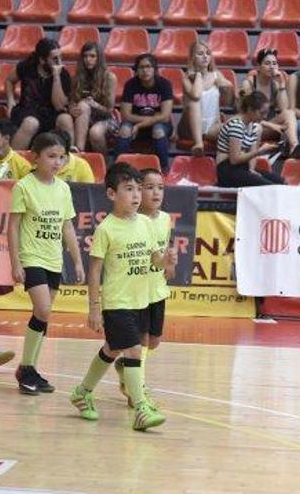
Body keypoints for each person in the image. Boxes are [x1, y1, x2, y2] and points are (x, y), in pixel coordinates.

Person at [69, 163, 173, 430]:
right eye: (129, 189)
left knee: (111, 350)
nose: (137, 195)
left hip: (140, 301)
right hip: (117, 302)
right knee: (134, 350)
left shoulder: (147, 225)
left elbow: (156, 260)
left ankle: (82, 392)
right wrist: (94, 307)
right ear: (112, 194)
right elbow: (95, 271)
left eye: (139, 189)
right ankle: (141, 409)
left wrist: (166, 259)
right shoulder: (106, 229)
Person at [9, 132, 85, 395]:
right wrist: (15, 262)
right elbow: (13, 227)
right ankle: (26, 369)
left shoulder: (63, 188)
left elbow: (67, 227)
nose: (57, 162)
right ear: (35, 157)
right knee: (43, 311)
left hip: (54, 259)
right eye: (51, 156)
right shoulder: (24, 186)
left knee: (42, 316)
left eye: (61, 157)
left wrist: (76, 261)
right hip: (32, 257)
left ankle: (29, 367)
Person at [114, 167, 176, 408]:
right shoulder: (134, 220)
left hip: (157, 288)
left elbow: (163, 248)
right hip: (137, 290)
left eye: (160, 187)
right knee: (140, 341)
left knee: (154, 341)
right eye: (149, 187)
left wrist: (169, 264)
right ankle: (136, 386)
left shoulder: (164, 219)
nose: (155, 193)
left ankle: (124, 368)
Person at [6, 38, 73, 150]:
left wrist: (56, 77)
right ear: (42, 60)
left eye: (61, 58)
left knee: (66, 119)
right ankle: (12, 162)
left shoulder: (63, 74)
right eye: (55, 59)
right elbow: (9, 80)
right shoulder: (26, 66)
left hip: (50, 113)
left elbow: (59, 106)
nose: (60, 63)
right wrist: (10, 100)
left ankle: (70, 160)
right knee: (31, 123)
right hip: (26, 110)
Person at [117, 54, 174, 172]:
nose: (145, 70)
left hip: (158, 124)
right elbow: (126, 115)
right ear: (136, 71)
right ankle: (118, 168)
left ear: (155, 69)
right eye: (141, 67)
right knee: (124, 130)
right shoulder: (130, 84)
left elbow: (165, 116)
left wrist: (140, 125)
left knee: (158, 131)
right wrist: (142, 123)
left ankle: (164, 169)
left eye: (148, 67)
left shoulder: (164, 84)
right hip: (135, 123)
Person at [215, 92, 284, 187]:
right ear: (250, 110)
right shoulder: (236, 125)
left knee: (280, 182)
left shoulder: (253, 126)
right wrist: (259, 151)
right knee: (269, 187)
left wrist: (251, 169)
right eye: (262, 113)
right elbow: (234, 160)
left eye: (266, 113)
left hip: (242, 168)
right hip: (227, 170)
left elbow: (250, 155)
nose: (265, 117)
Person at [178, 40, 234, 156]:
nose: (205, 56)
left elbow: (228, 98)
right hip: (188, 127)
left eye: (208, 53)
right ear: (192, 58)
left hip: (211, 125)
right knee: (194, 102)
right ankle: (198, 143)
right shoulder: (186, 78)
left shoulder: (216, 75)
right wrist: (198, 74)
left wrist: (227, 88)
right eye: (200, 53)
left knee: (234, 128)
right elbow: (196, 95)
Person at [240, 48, 297, 152]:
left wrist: (282, 85)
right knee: (257, 126)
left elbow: (284, 109)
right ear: (258, 66)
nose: (272, 67)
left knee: (289, 114)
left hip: (269, 128)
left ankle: (294, 147)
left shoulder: (275, 84)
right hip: (251, 127)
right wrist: (272, 125)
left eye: (274, 63)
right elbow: (245, 115)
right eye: (267, 63)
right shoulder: (248, 85)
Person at [69, 41, 117, 154]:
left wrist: (95, 104)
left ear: (99, 58)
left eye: (92, 56)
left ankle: (103, 164)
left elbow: (110, 109)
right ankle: (79, 150)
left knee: (95, 133)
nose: (88, 59)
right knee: (82, 105)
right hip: (83, 116)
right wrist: (72, 109)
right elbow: (71, 101)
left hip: (105, 118)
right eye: (85, 56)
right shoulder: (77, 77)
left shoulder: (109, 77)